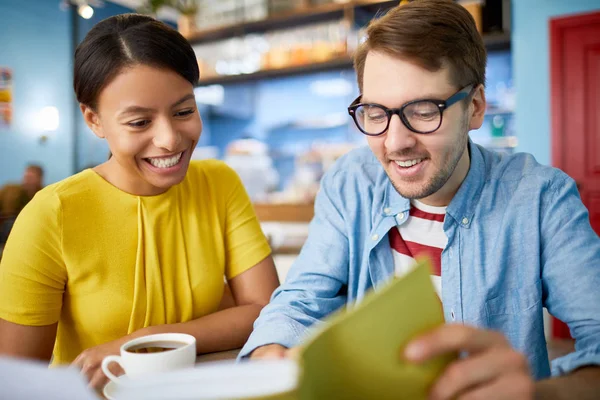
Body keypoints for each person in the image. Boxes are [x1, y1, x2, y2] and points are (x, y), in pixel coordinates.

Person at [241, 0, 600, 398]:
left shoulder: (541, 198)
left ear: (476, 107)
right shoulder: (351, 183)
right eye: (376, 113)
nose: (395, 144)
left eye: (425, 110)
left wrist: (541, 395)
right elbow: (299, 301)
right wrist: (269, 354)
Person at [0, 14, 279, 391]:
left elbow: (265, 311)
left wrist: (143, 344)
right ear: (94, 120)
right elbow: (18, 382)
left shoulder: (219, 183)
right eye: (138, 122)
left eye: (183, 111)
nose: (169, 139)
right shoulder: (52, 215)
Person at [0, 164, 44, 247]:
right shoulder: (10, 191)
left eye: (31, 178)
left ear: (39, 179)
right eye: (26, 177)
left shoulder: (44, 195)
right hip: (9, 226)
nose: (28, 180)